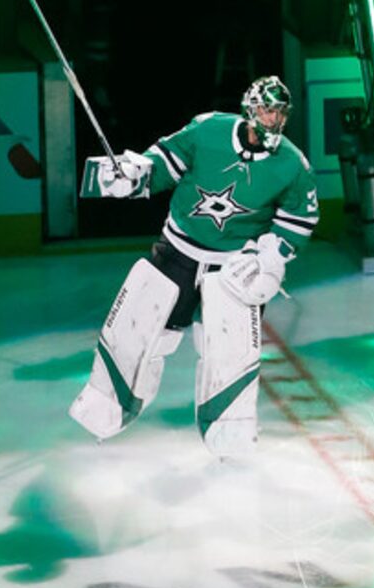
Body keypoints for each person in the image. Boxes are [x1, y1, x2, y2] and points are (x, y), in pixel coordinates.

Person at [69, 76, 318, 455]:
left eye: (280, 111)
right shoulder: (209, 130)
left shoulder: (293, 165)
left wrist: (268, 260)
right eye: (268, 109)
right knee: (139, 328)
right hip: (179, 250)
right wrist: (134, 173)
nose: (273, 118)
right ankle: (105, 407)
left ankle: (230, 432)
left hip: (233, 266)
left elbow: (297, 220)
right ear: (250, 108)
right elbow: (164, 163)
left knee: (227, 346)